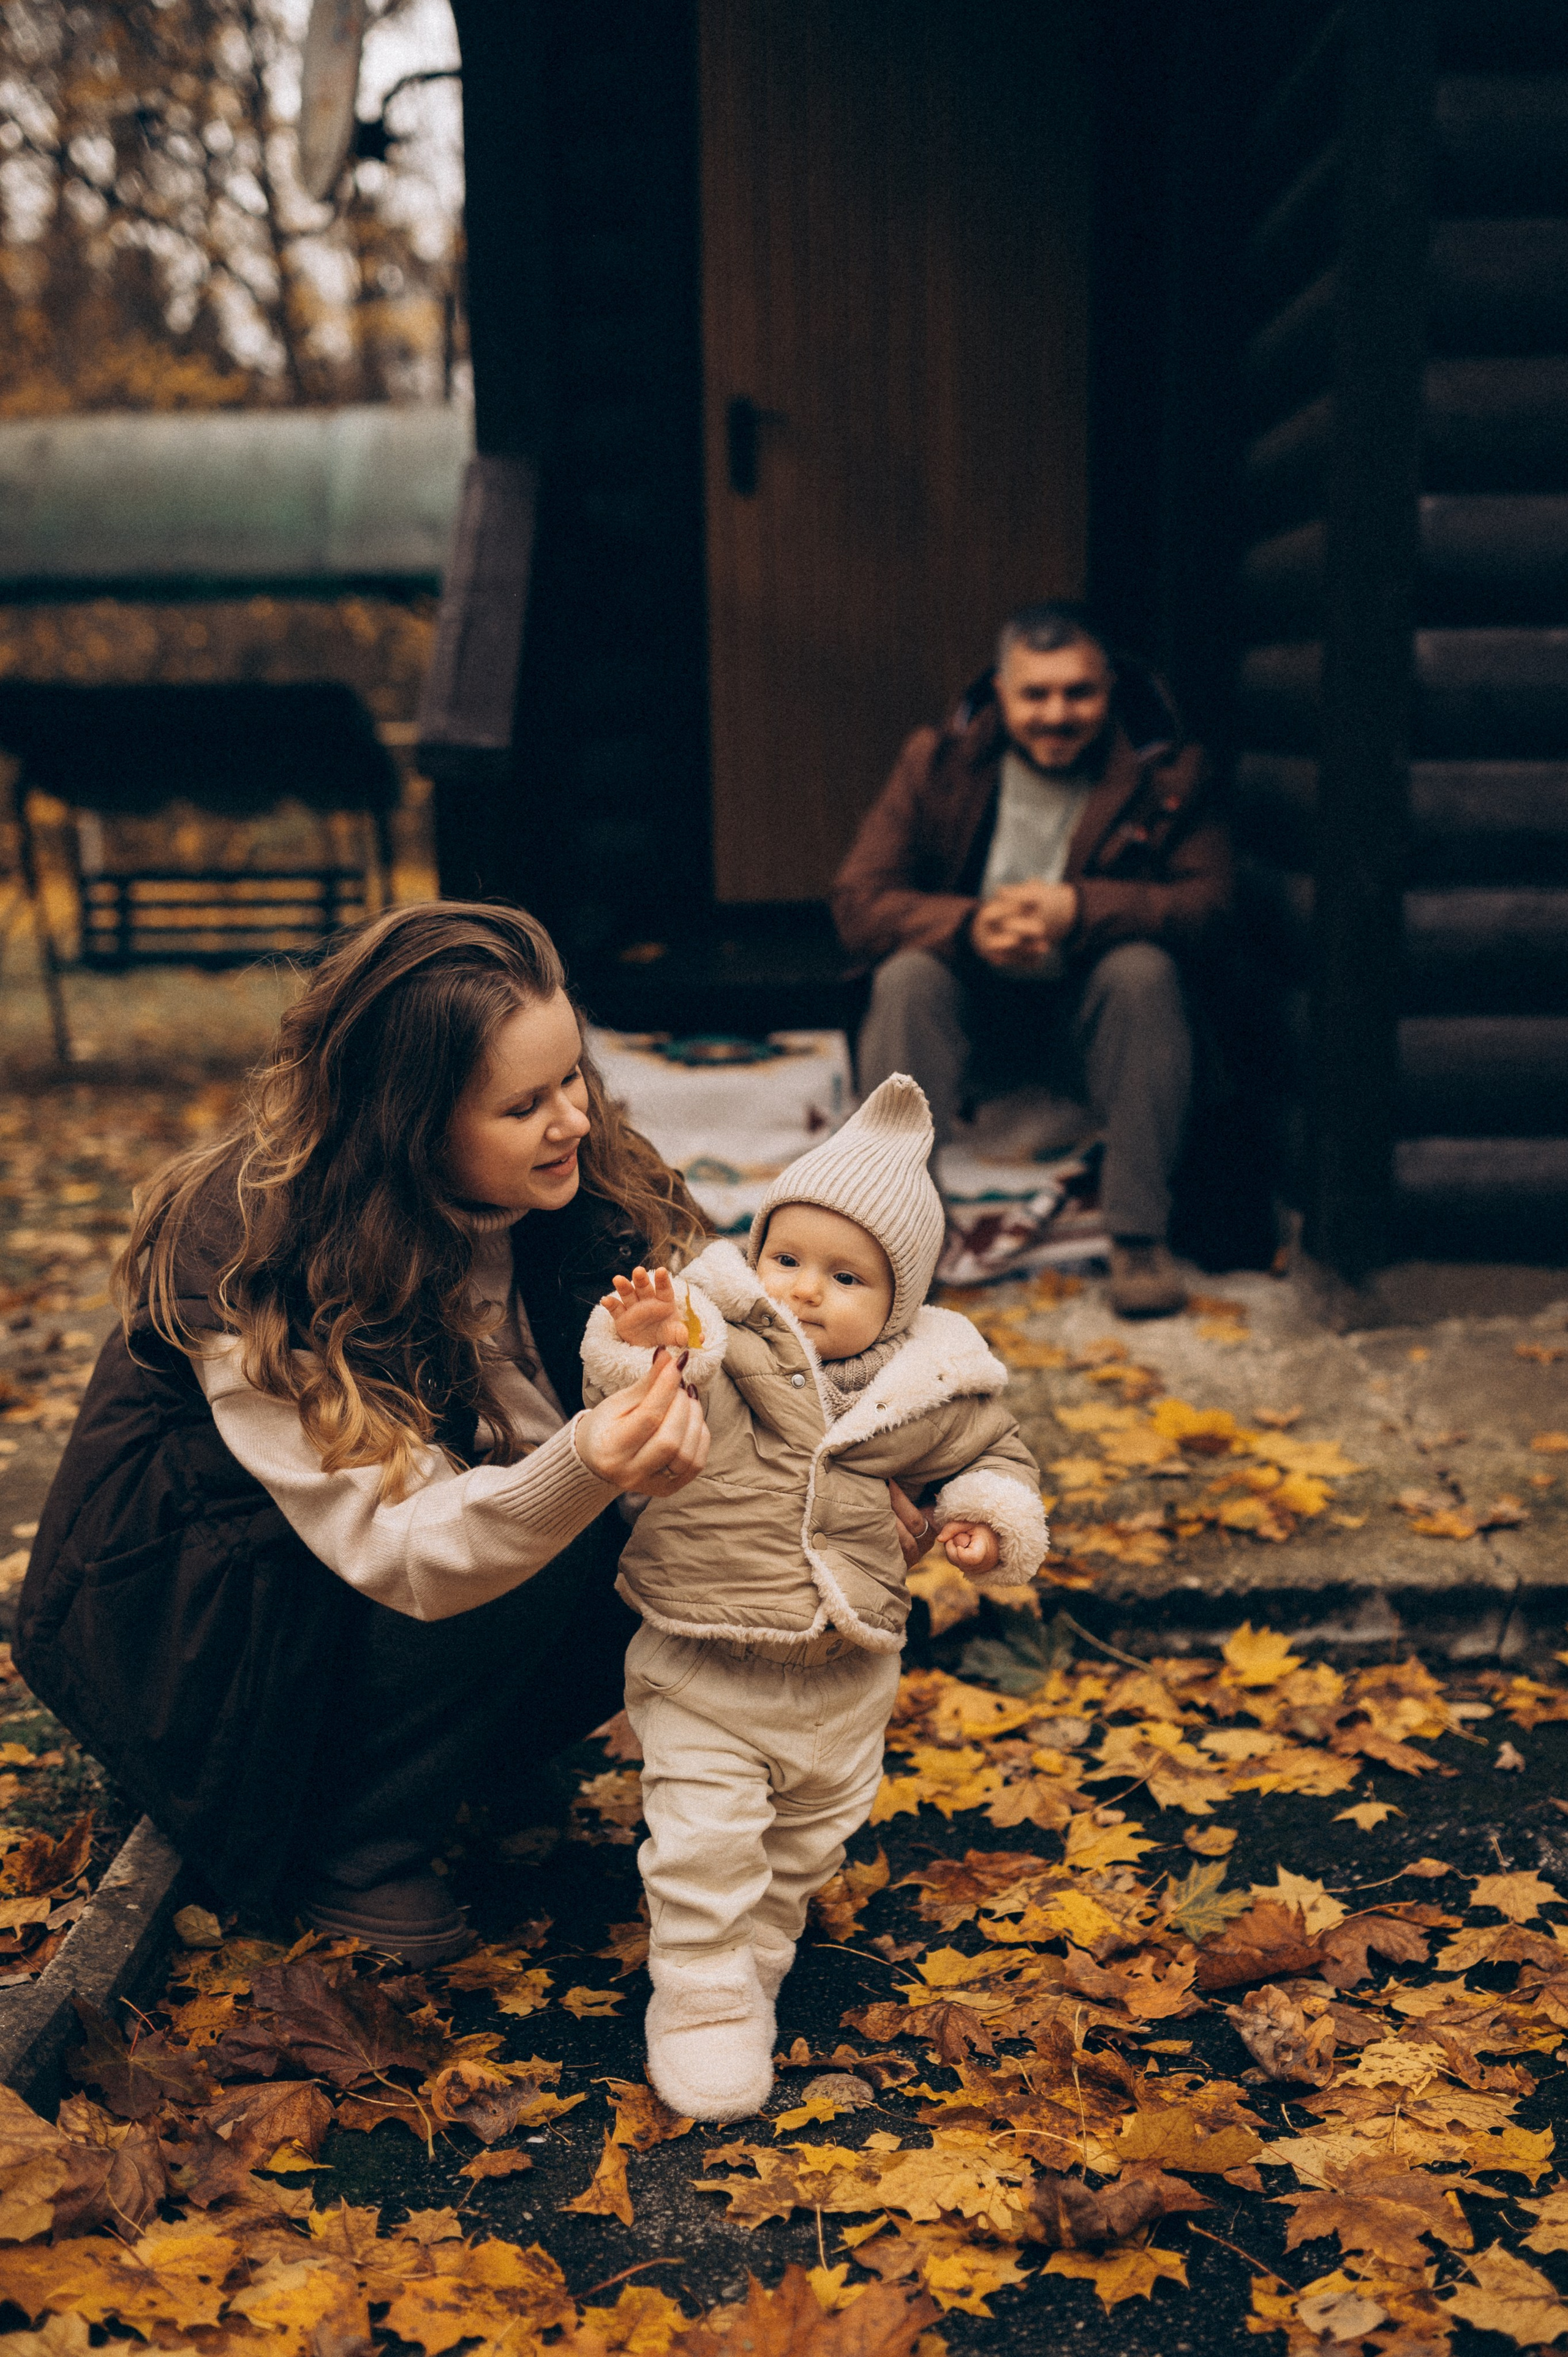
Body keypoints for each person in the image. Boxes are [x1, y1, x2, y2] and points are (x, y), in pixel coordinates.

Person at [15, 903, 722, 1966]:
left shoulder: (571, 1182)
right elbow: (398, 1539)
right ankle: (350, 1834)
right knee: (547, 1526)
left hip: (376, 1578)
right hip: (203, 1640)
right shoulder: (257, 1270)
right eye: (524, 1103)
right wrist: (585, 1464)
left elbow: (691, 1354)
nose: (573, 1118)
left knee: (676, 1523)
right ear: (411, 1121)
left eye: (574, 1075)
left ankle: (466, 1756)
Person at [578, 1075, 1047, 2119]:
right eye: (786, 1256)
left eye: (846, 1275)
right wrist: (646, 1336)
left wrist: (982, 1515)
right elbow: (646, 1380)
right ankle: (699, 1997)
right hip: (707, 1652)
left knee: (805, 1838)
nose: (802, 1287)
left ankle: (759, 1956)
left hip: (847, 1675)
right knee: (704, 1834)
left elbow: (996, 1449)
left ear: (903, 1301)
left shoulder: (924, 1393)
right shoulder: (725, 1334)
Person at [833, 603, 1234, 1316]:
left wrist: (1079, 909)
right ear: (1000, 693)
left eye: (1078, 692)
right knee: (906, 976)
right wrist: (969, 926)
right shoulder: (937, 761)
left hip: (1089, 1026)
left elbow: (1211, 904)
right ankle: (895, 1229)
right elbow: (858, 900)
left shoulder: (1165, 771)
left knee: (1144, 970)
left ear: (1108, 689)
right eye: (1035, 694)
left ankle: (1137, 1234)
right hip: (970, 1016)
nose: (1057, 713)